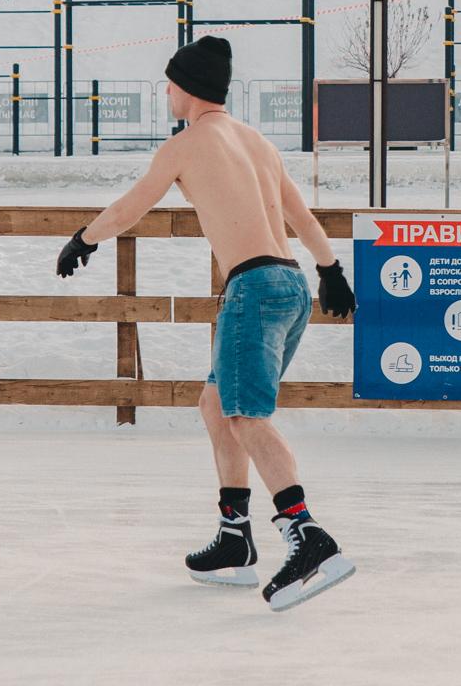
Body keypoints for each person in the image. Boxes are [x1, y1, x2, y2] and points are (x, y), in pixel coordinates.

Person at [55, 35, 358, 611]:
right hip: (291, 284)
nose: (165, 93)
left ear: (187, 87)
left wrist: (83, 240)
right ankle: (235, 538)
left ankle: (308, 535)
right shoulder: (258, 143)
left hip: (252, 286)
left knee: (244, 415)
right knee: (217, 406)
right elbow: (302, 216)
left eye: (168, 84)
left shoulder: (186, 144)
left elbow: (131, 206)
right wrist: (331, 270)